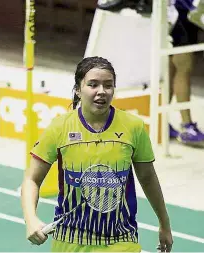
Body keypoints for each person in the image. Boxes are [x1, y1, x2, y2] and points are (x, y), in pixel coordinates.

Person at [21, 57, 173, 252]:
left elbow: (147, 177)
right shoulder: (59, 128)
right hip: (70, 240)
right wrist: (31, 219)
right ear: (78, 89)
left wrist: (164, 223)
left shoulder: (133, 127)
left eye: (108, 85)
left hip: (120, 239)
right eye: (93, 84)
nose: (101, 91)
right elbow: (32, 179)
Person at [168, 0, 204, 145]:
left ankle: (161, 122)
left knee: (170, 68)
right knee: (183, 67)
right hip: (181, 14)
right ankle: (187, 126)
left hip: (175, 13)